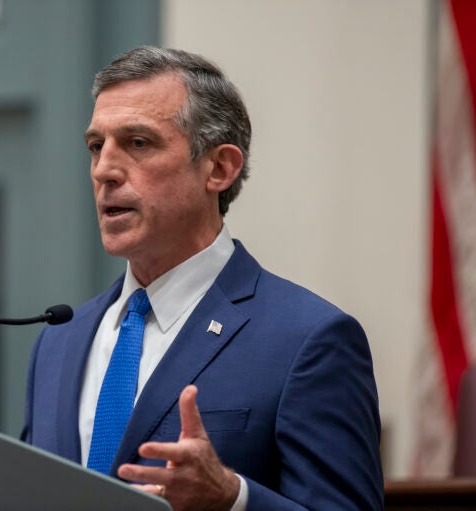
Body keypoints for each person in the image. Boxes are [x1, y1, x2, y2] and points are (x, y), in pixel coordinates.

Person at [20, 46, 383, 510]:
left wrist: (233, 499)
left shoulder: (307, 341)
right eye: (96, 146)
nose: (104, 170)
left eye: (138, 143)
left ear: (219, 168)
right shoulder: (59, 341)